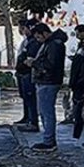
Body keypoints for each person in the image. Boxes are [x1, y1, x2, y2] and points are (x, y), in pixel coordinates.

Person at [29, 23, 66, 151]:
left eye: (39, 37)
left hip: (48, 81)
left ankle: (49, 141)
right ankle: (48, 139)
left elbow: (50, 65)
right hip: (45, 81)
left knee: (47, 112)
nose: (38, 41)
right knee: (44, 112)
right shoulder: (50, 44)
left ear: (44, 33)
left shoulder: (53, 45)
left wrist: (34, 63)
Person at [62, 25, 84, 125]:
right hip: (78, 73)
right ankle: (75, 116)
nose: (77, 36)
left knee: (81, 98)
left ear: (83, 32)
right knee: (76, 97)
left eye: (78, 33)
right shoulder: (81, 44)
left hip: (83, 74)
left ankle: (81, 117)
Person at [13, 19, 40, 130]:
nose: (23, 30)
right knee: (26, 97)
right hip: (23, 73)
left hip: (28, 73)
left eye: (25, 28)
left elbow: (30, 58)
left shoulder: (33, 42)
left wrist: (25, 62)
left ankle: (33, 121)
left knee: (30, 97)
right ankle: (27, 118)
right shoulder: (28, 40)